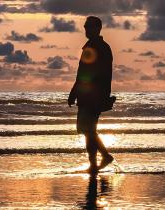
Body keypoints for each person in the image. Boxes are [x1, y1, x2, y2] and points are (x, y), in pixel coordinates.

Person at [68, 16, 114, 173]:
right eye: (85, 27)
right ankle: (97, 162)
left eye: (89, 27)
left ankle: (101, 159)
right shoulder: (98, 46)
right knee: (88, 130)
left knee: (87, 130)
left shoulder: (97, 47)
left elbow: (86, 73)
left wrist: (74, 92)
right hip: (92, 96)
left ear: (98, 28)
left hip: (92, 96)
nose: (86, 30)